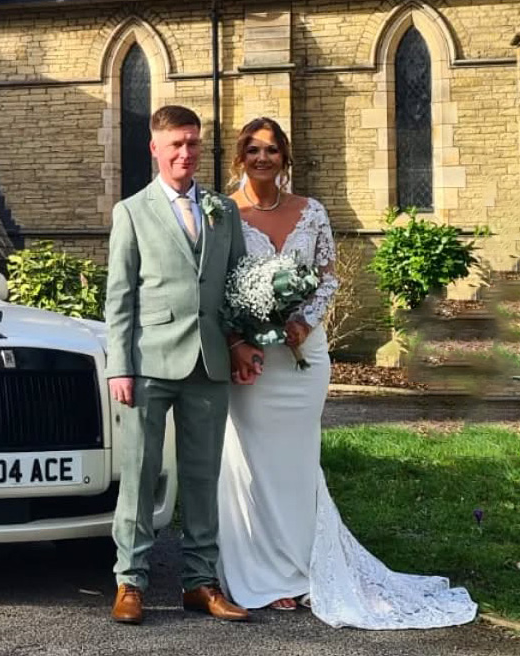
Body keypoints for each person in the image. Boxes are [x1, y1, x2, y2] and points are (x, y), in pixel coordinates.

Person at [216, 117, 478, 629]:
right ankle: (259, 573)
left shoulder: (311, 212)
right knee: (251, 465)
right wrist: (240, 339)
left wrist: (301, 324)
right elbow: (218, 285)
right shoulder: (225, 215)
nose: (263, 157)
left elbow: (327, 279)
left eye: (272, 149)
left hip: (302, 358)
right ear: (240, 158)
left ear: (285, 157)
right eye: (253, 149)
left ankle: (298, 570)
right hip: (251, 361)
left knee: (297, 464)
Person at [104, 105, 263, 625]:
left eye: (192, 143)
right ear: (155, 148)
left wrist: (240, 342)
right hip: (148, 364)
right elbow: (120, 299)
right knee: (141, 474)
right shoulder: (131, 211)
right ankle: (130, 582)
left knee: (202, 478)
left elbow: (239, 286)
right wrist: (119, 367)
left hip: (208, 362)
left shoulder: (223, 210)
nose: (185, 153)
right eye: (175, 144)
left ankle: (200, 582)